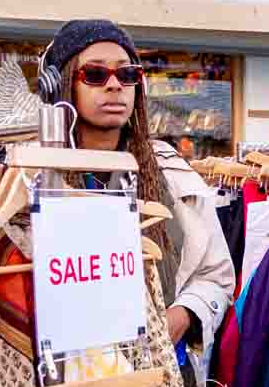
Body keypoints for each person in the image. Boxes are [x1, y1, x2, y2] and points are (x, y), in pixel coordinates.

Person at [37, 19, 233, 365]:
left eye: (127, 75)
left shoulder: (169, 172)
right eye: (95, 75)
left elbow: (216, 276)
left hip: (162, 385)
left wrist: (184, 315)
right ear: (61, 84)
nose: (114, 86)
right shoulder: (34, 178)